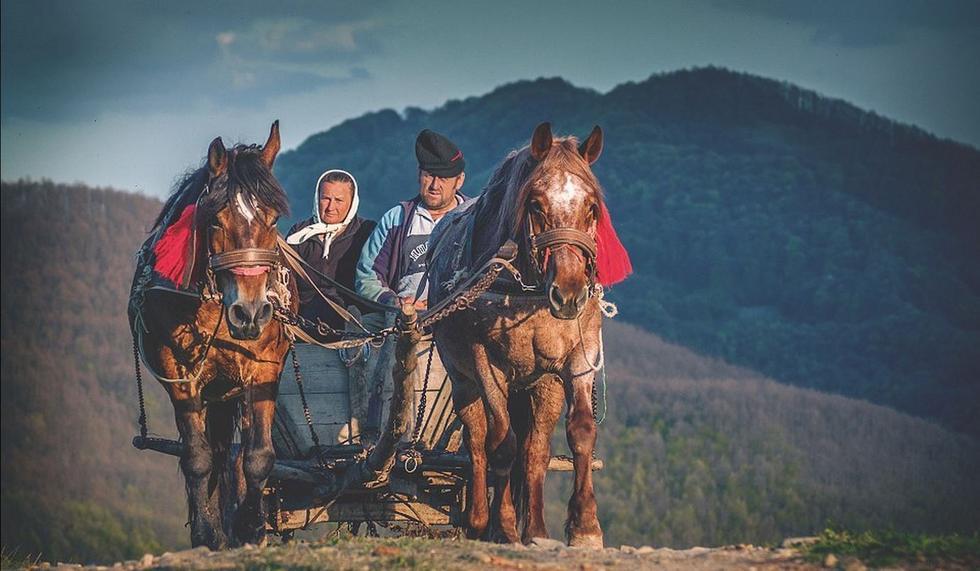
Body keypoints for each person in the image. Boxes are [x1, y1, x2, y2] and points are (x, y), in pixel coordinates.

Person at [355, 129, 467, 309]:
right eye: (429, 175)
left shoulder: (474, 218)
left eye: (444, 178)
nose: (434, 185)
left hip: (457, 316)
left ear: (459, 180)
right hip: (402, 319)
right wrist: (392, 301)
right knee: (358, 332)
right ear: (419, 174)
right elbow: (367, 275)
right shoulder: (396, 218)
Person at [286, 169, 376, 336]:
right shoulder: (298, 233)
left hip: (351, 324)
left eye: (339, 200)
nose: (330, 207)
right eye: (325, 198)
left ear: (352, 202)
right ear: (316, 198)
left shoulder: (367, 232)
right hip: (302, 324)